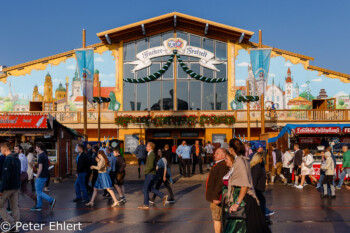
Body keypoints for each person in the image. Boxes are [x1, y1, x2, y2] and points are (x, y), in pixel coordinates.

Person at [223, 138, 271, 233]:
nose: (228, 149)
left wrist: (237, 204)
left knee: (244, 228)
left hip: (244, 199)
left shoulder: (240, 161)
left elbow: (244, 185)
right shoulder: (242, 160)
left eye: (229, 147)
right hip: (245, 198)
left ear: (231, 149)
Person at [206, 148, 229, 233]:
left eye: (217, 153)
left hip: (216, 197)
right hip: (214, 196)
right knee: (217, 219)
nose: (214, 155)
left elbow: (221, 182)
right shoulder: (219, 164)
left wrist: (216, 197)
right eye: (215, 153)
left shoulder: (222, 165)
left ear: (223, 155)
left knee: (217, 219)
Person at [138, 142, 168, 210]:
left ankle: (146, 204)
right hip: (151, 174)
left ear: (150, 147)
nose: (146, 147)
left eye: (147, 146)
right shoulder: (150, 154)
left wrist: (146, 171)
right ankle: (163, 196)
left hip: (150, 174)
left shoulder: (151, 154)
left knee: (145, 188)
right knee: (150, 188)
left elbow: (151, 166)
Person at [0, 143, 21, 232]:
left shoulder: (8, 159)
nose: (0, 151)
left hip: (8, 187)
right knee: (15, 207)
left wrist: (1, 189)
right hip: (16, 186)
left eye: (1, 149)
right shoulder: (17, 158)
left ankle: (11, 223)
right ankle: (16, 226)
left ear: (5, 149)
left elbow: (6, 175)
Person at [30, 143, 56, 212]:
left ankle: (51, 200)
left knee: (38, 191)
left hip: (41, 175)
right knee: (39, 191)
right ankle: (39, 205)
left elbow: (40, 168)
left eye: (36, 147)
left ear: (39, 148)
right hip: (45, 175)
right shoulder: (44, 155)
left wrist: (37, 175)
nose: (35, 149)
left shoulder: (41, 156)